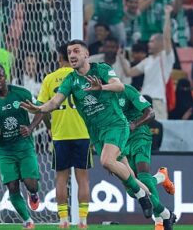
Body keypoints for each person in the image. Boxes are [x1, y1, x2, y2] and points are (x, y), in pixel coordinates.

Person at [22, 40, 154, 219]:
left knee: (106, 161)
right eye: (69, 52)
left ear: (86, 54)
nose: (72, 55)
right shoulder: (70, 80)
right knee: (128, 176)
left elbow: (119, 85)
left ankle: (141, 196)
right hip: (96, 133)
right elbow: (54, 102)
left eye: (76, 51)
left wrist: (101, 87)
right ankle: (160, 209)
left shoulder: (101, 69)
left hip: (115, 125)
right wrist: (38, 108)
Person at [0, 63, 45, 229]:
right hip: (4, 151)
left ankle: (33, 194)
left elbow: (41, 110)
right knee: (13, 186)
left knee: (31, 184)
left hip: (24, 146)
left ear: (5, 77)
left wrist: (30, 128)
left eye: (0, 77)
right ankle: (27, 221)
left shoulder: (21, 93)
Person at [36, 45, 91, 228]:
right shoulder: (83, 76)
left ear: (59, 59)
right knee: (82, 178)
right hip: (82, 133)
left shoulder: (50, 79)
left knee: (61, 178)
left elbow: (42, 109)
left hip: (60, 134)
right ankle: (82, 220)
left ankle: (63, 220)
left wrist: (49, 127)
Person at [120, 84, 177, 230]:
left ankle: (159, 220)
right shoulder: (101, 98)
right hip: (122, 140)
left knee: (143, 177)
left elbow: (150, 113)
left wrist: (135, 124)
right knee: (132, 190)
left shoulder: (126, 90)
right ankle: (161, 177)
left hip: (140, 135)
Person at [119, 6, 175, 119]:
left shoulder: (166, 57)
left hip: (158, 101)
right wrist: (121, 57)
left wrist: (167, 14)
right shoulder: (147, 60)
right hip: (144, 100)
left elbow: (167, 37)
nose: (149, 44)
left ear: (160, 43)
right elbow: (129, 73)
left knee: (158, 128)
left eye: (152, 41)